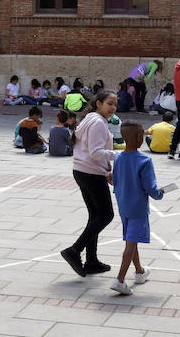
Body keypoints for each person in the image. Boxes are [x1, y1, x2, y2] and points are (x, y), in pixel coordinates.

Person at [60, 90, 119, 277]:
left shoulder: (90, 119)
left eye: (115, 104)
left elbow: (90, 150)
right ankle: (74, 250)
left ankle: (91, 260)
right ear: (98, 103)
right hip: (90, 173)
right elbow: (95, 152)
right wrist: (119, 155)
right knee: (105, 215)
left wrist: (107, 170)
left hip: (83, 171)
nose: (113, 108)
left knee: (95, 216)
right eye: (110, 103)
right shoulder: (98, 123)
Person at [109, 121, 164, 295]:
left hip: (123, 205)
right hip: (138, 208)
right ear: (140, 138)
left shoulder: (118, 157)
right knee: (130, 244)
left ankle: (139, 271)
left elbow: (114, 180)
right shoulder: (145, 160)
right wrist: (160, 193)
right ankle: (119, 279)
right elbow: (151, 187)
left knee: (131, 240)